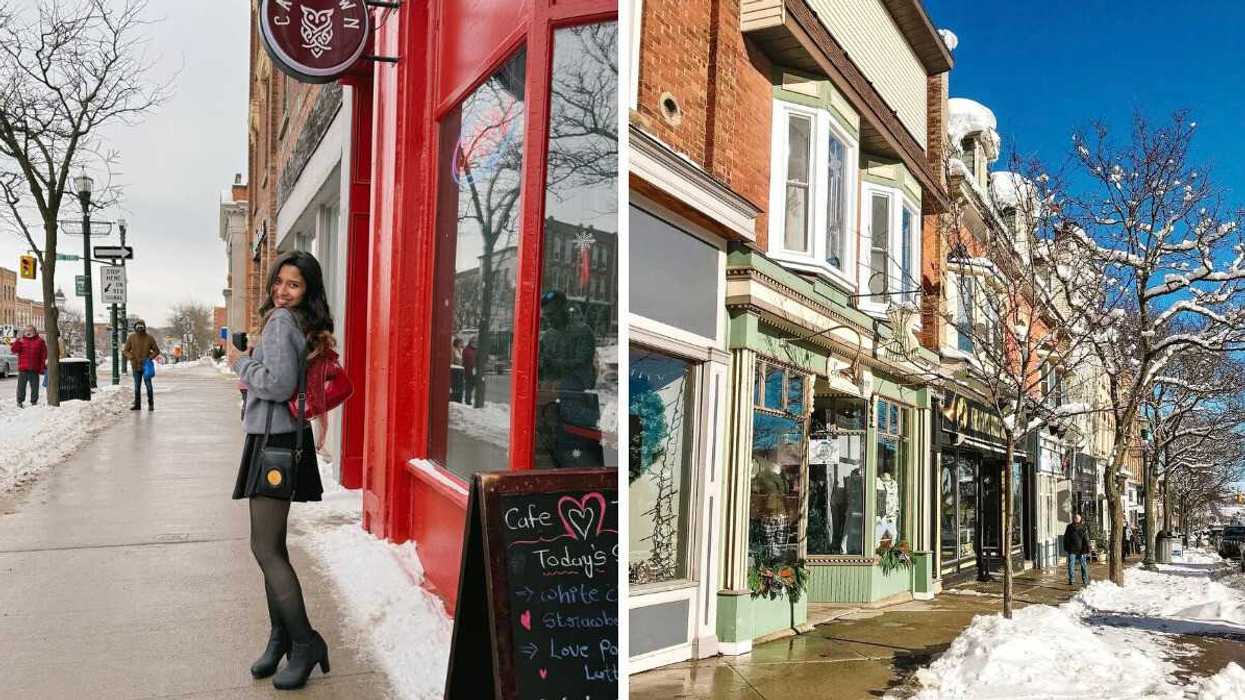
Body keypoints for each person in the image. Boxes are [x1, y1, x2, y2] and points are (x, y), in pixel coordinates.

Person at [231, 250, 331, 690]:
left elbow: (278, 383)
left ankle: (305, 643)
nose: (282, 290)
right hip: (281, 439)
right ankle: (282, 638)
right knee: (274, 547)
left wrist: (241, 363)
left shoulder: (279, 323)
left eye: (294, 284)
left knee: (265, 549)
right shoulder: (296, 324)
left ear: (307, 290)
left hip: (272, 442)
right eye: (280, 282)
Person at [122, 320, 161, 411]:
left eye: (141, 326)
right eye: (138, 326)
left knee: (148, 385)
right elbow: (125, 350)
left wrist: (149, 358)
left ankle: (151, 404)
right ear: (135, 327)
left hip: (146, 366)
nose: (139, 328)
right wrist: (131, 357)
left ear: (144, 327)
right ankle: (137, 405)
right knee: (137, 387)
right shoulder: (131, 337)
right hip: (135, 365)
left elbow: (157, 351)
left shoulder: (149, 338)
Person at [10, 325, 47, 408]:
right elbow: (14, 350)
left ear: (35, 331)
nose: (28, 332)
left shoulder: (40, 341)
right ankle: (19, 401)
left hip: (34, 368)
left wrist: (42, 368)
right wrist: (18, 340)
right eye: (27, 330)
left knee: (35, 387)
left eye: (30, 330)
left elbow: (43, 355)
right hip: (23, 368)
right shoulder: (21, 340)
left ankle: (34, 402)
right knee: (21, 387)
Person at [1064, 513, 1092, 586]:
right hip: (1073, 550)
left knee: (1082, 565)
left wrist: (1087, 548)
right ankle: (1073, 579)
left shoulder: (1082, 527)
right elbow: (1066, 538)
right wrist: (1067, 547)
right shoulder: (1070, 527)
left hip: (1081, 550)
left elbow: (1086, 539)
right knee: (1072, 565)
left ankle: (1084, 579)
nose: (1076, 519)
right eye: (1076, 518)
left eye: (1077, 518)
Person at [462, 337, 478, 405]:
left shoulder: (476, 350)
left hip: (475, 370)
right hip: (469, 370)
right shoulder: (466, 350)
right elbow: (466, 361)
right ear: (470, 342)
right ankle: (468, 400)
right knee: (469, 386)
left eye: (476, 342)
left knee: (473, 386)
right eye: (473, 342)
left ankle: (470, 400)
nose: (475, 343)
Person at [450, 337, 465, 403]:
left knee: (460, 386)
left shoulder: (461, 350)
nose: (462, 344)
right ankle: (455, 399)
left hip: (460, 368)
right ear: (457, 343)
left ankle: (459, 399)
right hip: (455, 369)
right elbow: (452, 359)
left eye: (462, 343)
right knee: (456, 385)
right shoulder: (453, 350)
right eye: (460, 343)